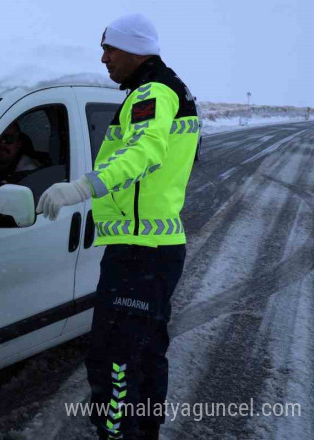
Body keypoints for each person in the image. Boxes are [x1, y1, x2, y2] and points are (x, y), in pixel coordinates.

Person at [35, 13, 200, 440]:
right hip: (148, 249)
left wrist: (82, 188)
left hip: (141, 251)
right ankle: (140, 432)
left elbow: (145, 151)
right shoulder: (165, 90)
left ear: (135, 50)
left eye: (110, 49)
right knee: (141, 354)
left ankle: (120, 434)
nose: (104, 58)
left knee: (116, 359)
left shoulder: (153, 93)